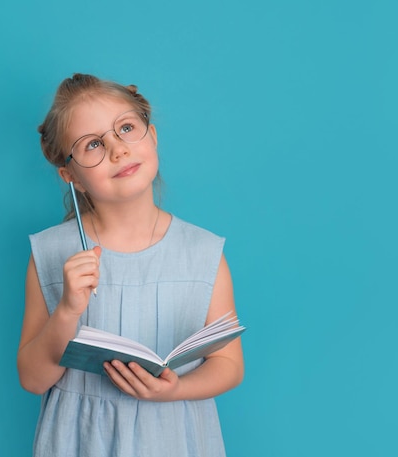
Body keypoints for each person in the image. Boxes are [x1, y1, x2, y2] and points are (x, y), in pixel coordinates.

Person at [17, 73, 244, 457]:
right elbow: (33, 378)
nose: (117, 150)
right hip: (82, 440)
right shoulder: (51, 252)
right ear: (71, 176)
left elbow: (228, 365)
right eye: (92, 144)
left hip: (175, 437)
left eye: (125, 128)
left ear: (152, 137)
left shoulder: (203, 252)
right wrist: (69, 310)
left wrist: (176, 389)